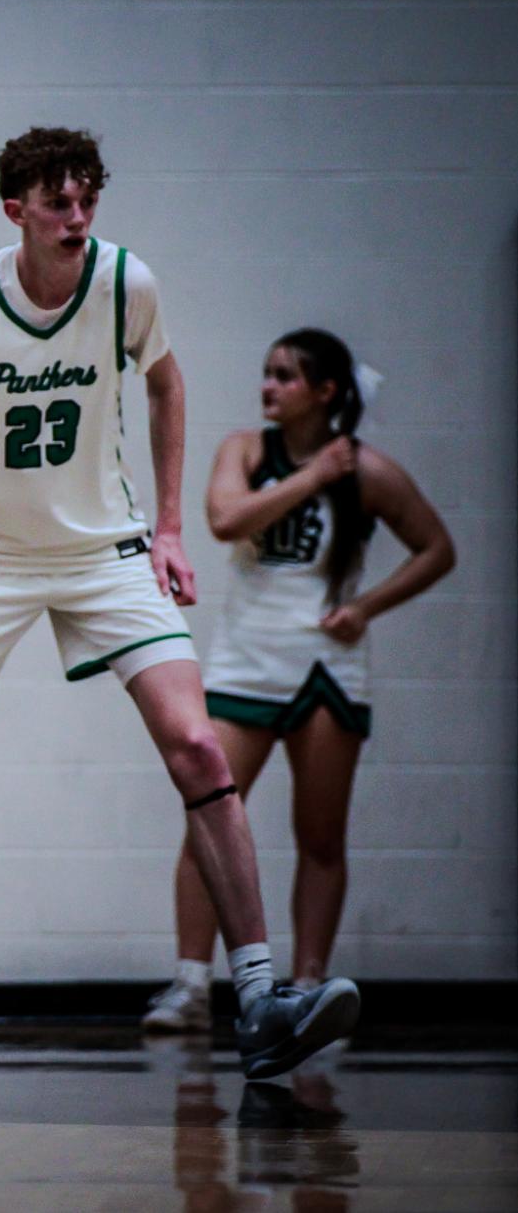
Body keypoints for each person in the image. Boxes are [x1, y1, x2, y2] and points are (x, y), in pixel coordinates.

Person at [0, 127, 359, 1087]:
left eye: (86, 201)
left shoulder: (126, 285)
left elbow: (166, 381)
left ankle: (261, 1001)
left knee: (195, 746)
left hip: (101, 549)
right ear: (15, 209)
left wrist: (173, 528)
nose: (75, 219)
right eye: (56, 203)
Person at [143, 330, 453, 1031]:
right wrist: (311, 478)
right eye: (265, 372)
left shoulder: (370, 472)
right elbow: (223, 520)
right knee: (207, 822)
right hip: (244, 661)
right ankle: (191, 985)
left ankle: (309, 985)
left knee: (318, 836)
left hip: (325, 670)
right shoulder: (245, 450)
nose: (267, 386)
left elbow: (437, 549)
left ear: (326, 391)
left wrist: (366, 607)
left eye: (284, 376)